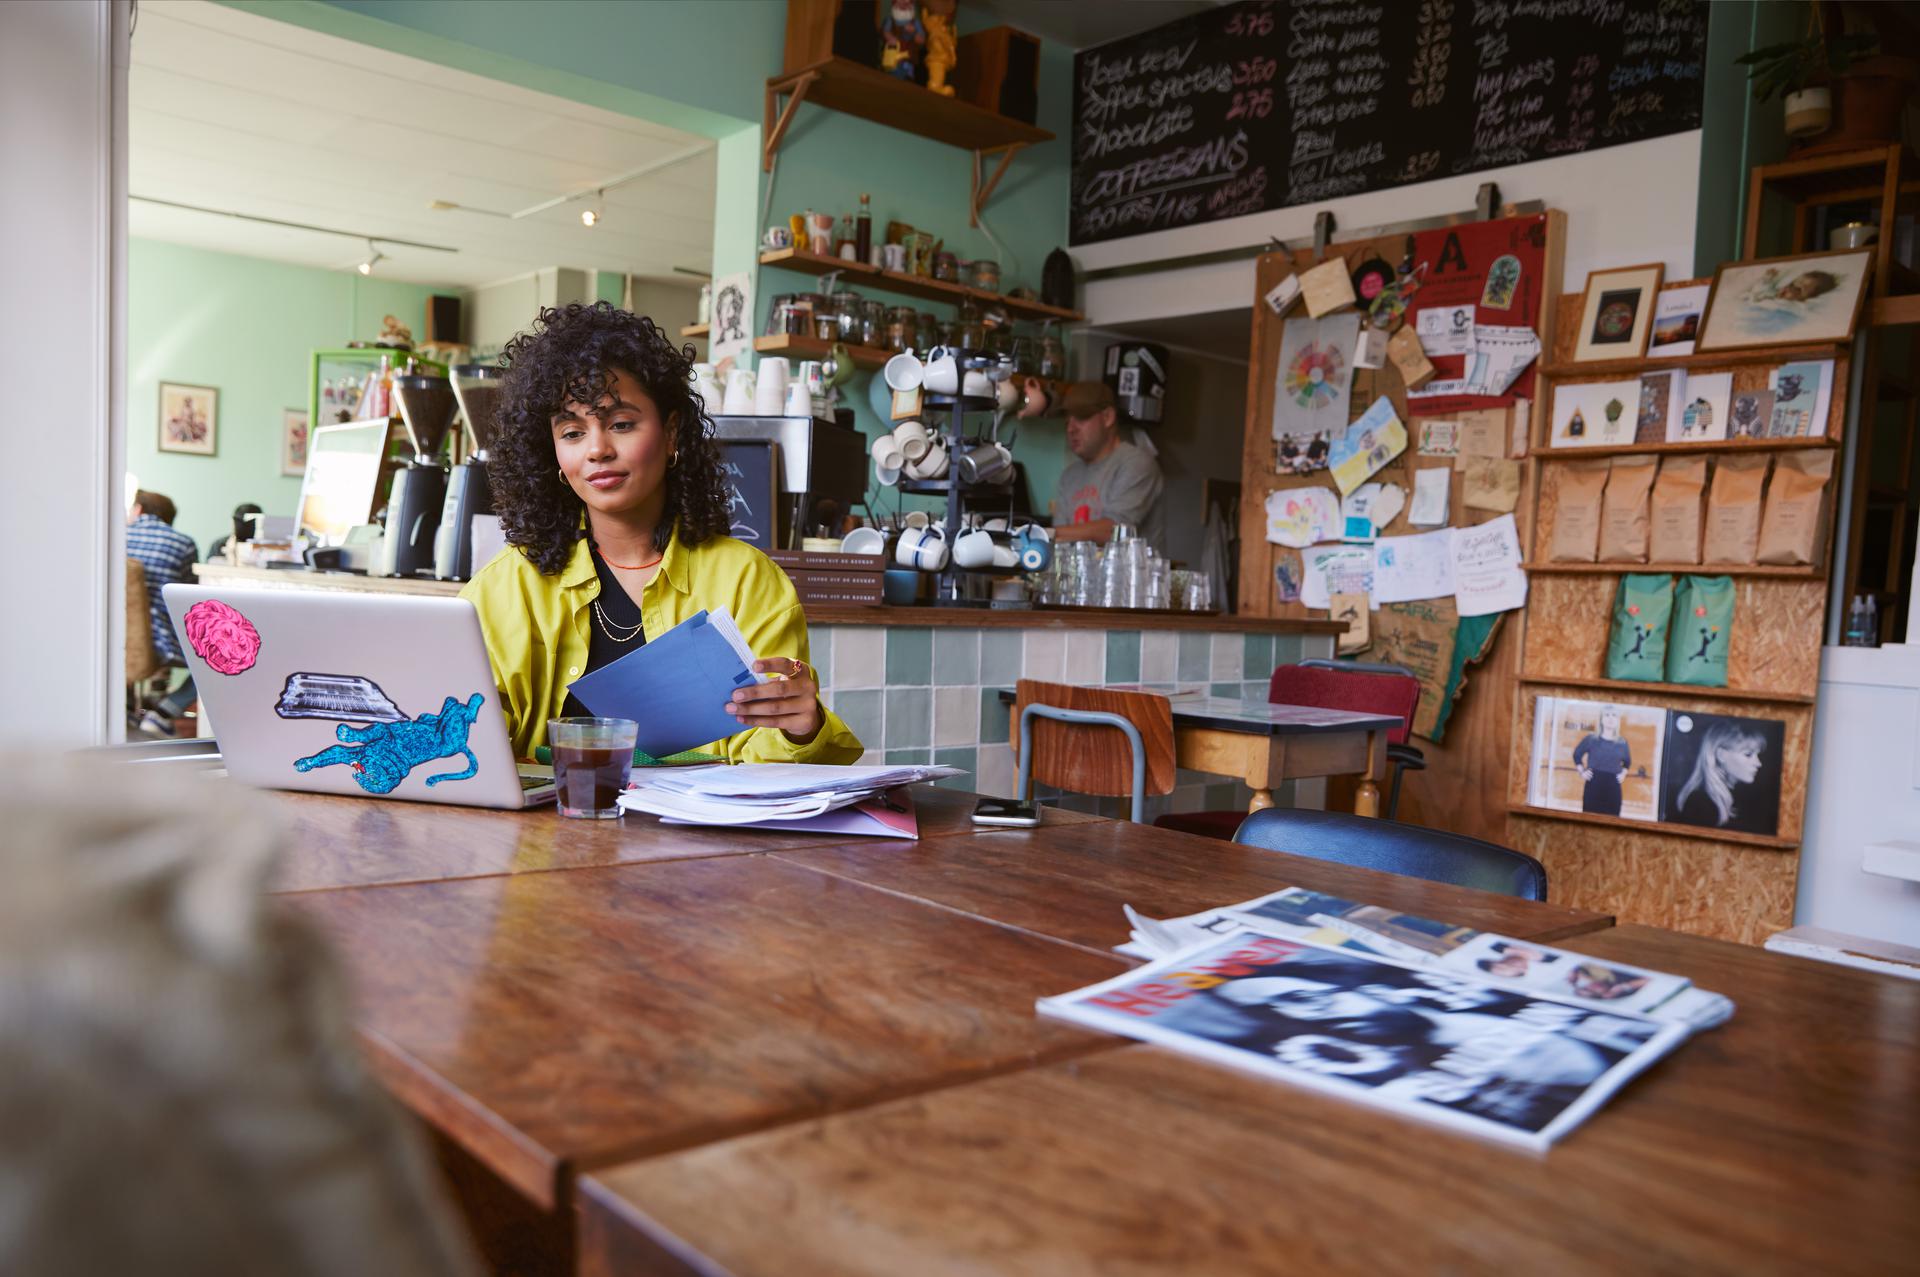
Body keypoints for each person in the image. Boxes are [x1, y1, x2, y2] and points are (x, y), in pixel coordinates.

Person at [459, 301, 862, 763]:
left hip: (700, 835)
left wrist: (799, 727)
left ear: (671, 434)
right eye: (571, 432)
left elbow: (767, 759)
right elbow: (471, 738)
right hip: (545, 833)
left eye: (621, 424)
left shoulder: (749, 582)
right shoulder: (504, 588)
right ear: (548, 450)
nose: (597, 449)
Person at [1049, 381, 1165, 550]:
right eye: (1067, 420)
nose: (1071, 429)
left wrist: (1043, 534)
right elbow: (1060, 544)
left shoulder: (1137, 463)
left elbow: (1114, 531)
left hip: (1129, 576)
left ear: (1108, 417)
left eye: (1081, 417)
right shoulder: (1069, 476)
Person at [126, 489, 199, 736]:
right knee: (219, 658)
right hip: (163, 642)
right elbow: (190, 598)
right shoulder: (182, 543)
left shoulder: (114, 536)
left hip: (118, 640)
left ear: (138, 510)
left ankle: (126, 709)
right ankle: (166, 711)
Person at [1671, 720, 1767, 828]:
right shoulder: (1701, 802)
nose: (1758, 763)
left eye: (1757, 755)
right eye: (1748, 754)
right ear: (1721, 755)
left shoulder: (1741, 796)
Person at [1571, 705, 1631, 817]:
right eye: (1607, 715)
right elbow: (1577, 755)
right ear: (1601, 719)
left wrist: (1623, 774)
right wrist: (1582, 772)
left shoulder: (1622, 742)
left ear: (1618, 720)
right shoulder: (1591, 739)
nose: (1610, 718)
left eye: (1614, 716)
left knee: (1611, 823)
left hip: (1613, 788)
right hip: (1593, 785)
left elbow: (1627, 762)